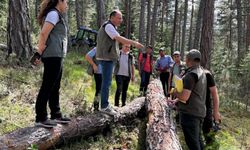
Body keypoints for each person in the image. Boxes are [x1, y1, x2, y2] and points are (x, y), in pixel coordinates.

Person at [96, 10, 143, 115]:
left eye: (121, 18)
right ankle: (104, 106)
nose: (121, 21)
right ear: (112, 17)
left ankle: (105, 104)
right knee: (106, 83)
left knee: (106, 82)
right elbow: (118, 38)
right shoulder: (108, 26)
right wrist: (134, 43)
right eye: (119, 18)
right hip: (106, 58)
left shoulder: (111, 26)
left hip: (108, 57)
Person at [33, 0, 70, 128]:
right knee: (48, 85)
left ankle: (56, 114)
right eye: (66, 2)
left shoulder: (56, 14)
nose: (67, 5)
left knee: (55, 86)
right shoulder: (53, 14)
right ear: (59, 1)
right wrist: (39, 51)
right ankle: (41, 117)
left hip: (57, 54)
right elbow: (44, 33)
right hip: (52, 54)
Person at [174, 49, 207, 150]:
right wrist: (176, 101)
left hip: (190, 114)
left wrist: (175, 92)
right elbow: (194, 94)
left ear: (188, 60)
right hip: (199, 112)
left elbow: (184, 96)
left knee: (193, 144)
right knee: (198, 141)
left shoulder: (191, 75)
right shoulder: (201, 72)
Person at [203, 69, 221, 144]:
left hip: (206, 107)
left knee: (208, 131)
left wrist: (216, 112)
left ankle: (210, 145)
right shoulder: (190, 73)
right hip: (193, 109)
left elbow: (214, 94)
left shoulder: (207, 74)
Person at [85, 45, 102, 111]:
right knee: (99, 89)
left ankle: (103, 106)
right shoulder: (97, 49)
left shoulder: (109, 50)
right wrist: (94, 65)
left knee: (104, 89)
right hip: (98, 72)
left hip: (106, 73)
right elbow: (87, 56)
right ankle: (96, 106)